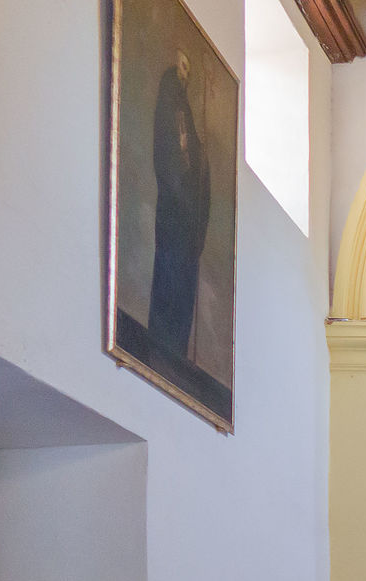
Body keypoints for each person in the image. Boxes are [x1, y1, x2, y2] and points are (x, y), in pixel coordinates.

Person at [149, 48, 210, 359]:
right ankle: (164, 348)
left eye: (188, 69)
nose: (184, 75)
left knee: (183, 287)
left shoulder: (184, 111)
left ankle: (175, 351)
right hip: (175, 217)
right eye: (181, 67)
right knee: (171, 281)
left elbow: (194, 161)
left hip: (187, 225)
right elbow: (172, 156)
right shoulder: (170, 103)